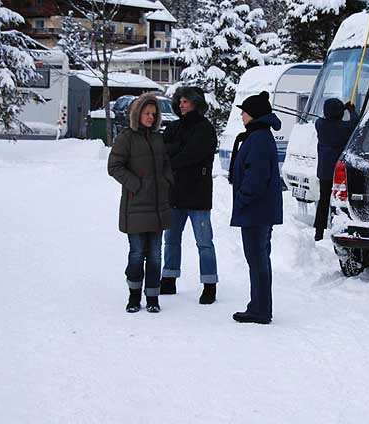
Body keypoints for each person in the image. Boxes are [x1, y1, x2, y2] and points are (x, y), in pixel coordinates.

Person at [108, 93, 174, 313]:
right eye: (146, 113)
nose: (150, 117)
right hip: (135, 207)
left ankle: (153, 297)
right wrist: (135, 184)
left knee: (155, 254)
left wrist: (166, 181)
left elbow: (166, 165)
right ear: (138, 114)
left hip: (158, 207)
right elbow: (114, 166)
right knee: (137, 254)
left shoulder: (158, 138)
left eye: (153, 114)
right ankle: (134, 295)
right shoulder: (126, 138)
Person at [160, 86, 219, 304]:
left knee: (204, 242)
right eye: (180, 101)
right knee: (171, 240)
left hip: (198, 194)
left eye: (186, 101)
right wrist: (179, 149)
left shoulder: (205, 128)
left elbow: (193, 154)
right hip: (174, 193)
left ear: (196, 103)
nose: (182, 104)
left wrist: (176, 153)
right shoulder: (173, 127)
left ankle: (209, 284)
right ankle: (169, 278)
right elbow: (163, 150)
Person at [228, 91, 283, 325]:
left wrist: (242, 199)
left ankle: (260, 309)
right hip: (259, 210)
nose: (241, 114)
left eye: (245, 111)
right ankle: (258, 306)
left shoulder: (259, 137)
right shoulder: (258, 135)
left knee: (257, 259)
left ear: (255, 114)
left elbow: (257, 176)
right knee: (259, 259)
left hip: (256, 211)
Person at [313, 98, 359, 241]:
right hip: (340, 173)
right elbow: (355, 123)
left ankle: (319, 232)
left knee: (324, 200)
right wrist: (350, 110)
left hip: (324, 172)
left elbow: (323, 119)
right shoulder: (344, 128)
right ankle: (338, 227)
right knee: (340, 201)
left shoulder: (319, 125)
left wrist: (341, 109)